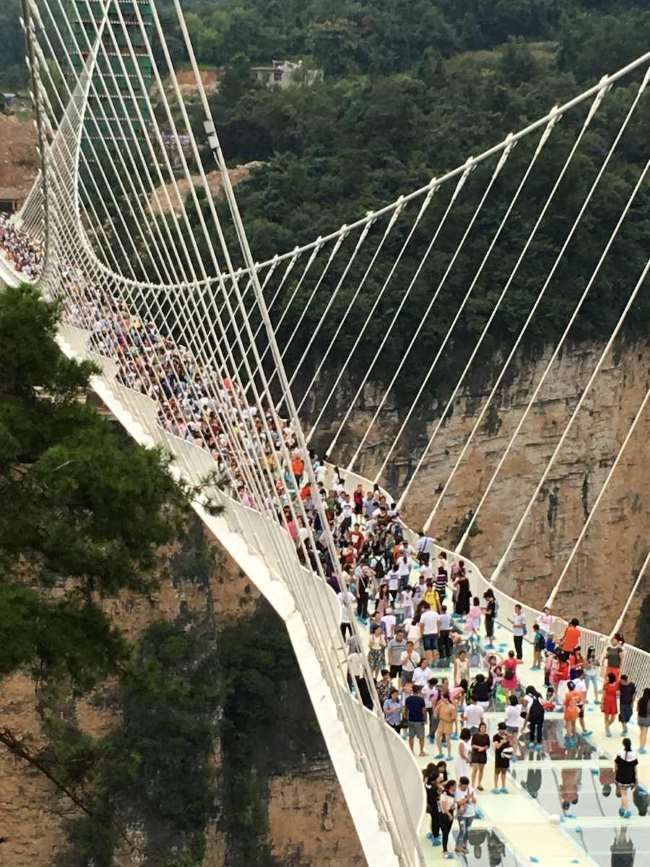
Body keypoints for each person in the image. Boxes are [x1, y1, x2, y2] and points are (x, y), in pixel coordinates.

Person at [614, 737, 638, 818]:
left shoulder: (620, 753)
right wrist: (636, 778)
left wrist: (615, 774)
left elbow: (616, 765)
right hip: (630, 777)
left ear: (623, 744)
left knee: (623, 794)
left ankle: (627, 809)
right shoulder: (634, 754)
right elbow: (635, 767)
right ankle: (622, 808)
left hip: (621, 776)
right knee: (624, 793)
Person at [454, 776, 477, 855]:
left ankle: (464, 845)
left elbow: (474, 801)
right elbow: (459, 803)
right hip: (462, 815)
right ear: (460, 784)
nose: (466, 787)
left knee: (467, 831)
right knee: (462, 830)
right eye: (464, 785)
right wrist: (467, 798)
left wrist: (471, 797)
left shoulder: (471, 789)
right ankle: (457, 847)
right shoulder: (456, 791)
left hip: (471, 814)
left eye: (467, 785)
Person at [406, 684, 427, 757]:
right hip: (419, 720)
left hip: (411, 720)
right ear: (418, 691)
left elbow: (406, 709)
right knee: (421, 737)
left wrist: (406, 718)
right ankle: (421, 751)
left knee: (411, 737)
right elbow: (423, 711)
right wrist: (424, 719)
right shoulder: (421, 699)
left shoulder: (408, 699)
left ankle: (411, 751)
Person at [423, 763, 442, 846]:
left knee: (434, 819)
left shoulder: (426, 780)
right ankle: (435, 836)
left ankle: (433, 833)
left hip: (429, 802)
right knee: (436, 820)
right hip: (433, 804)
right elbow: (435, 794)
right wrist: (439, 792)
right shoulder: (432, 785)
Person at [492, 722, 513, 793]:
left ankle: (503, 786)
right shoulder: (495, 737)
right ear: (499, 729)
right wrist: (502, 742)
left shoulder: (507, 736)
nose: (503, 731)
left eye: (504, 729)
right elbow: (497, 746)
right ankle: (495, 787)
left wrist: (508, 737)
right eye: (502, 729)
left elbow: (511, 743)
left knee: (504, 772)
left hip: (505, 757)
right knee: (497, 772)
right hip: (498, 757)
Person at [439, 780, 457, 859]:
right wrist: (449, 814)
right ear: (451, 786)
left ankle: (445, 847)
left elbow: (451, 805)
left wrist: (453, 807)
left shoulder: (453, 794)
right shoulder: (444, 794)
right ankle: (445, 850)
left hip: (450, 813)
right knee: (445, 833)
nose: (456, 787)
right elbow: (443, 807)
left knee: (447, 832)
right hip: (444, 815)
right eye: (455, 786)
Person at [435, 693, 456, 760]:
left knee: (447, 739)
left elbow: (453, 718)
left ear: (446, 698)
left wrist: (448, 720)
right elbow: (436, 709)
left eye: (443, 698)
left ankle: (449, 754)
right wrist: (436, 714)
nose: (442, 699)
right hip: (441, 722)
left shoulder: (452, 707)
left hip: (448, 723)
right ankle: (440, 752)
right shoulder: (441, 704)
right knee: (438, 737)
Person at [470, 721, 490, 791]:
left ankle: (479, 784)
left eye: (484, 728)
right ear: (479, 728)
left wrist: (484, 748)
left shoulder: (487, 736)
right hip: (475, 754)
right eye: (482, 727)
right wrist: (479, 747)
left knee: (481, 769)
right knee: (475, 769)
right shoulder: (475, 735)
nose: (483, 729)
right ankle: (472, 784)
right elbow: (472, 745)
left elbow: (488, 745)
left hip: (483, 754)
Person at [603, 671, 620, 737]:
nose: (606, 678)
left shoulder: (617, 684)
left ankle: (607, 726)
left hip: (613, 702)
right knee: (606, 716)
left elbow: (618, 693)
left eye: (607, 677)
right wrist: (602, 703)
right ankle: (607, 729)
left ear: (611, 678)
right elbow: (604, 695)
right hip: (606, 701)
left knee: (613, 717)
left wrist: (618, 694)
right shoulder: (605, 685)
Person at [638, 688, 650, 754]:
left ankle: (640, 746)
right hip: (646, 719)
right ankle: (642, 748)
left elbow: (637, 709)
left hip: (640, 719)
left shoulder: (640, 699)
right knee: (644, 734)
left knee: (641, 733)